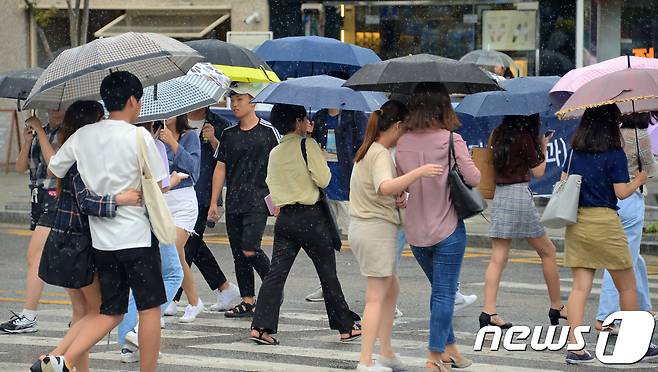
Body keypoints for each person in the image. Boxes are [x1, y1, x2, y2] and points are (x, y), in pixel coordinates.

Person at [42, 71, 168, 372]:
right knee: (149, 309)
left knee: (110, 310)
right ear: (132, 100)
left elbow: (56, 167)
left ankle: (63, 359)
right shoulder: (139, 136)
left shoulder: (83, 135)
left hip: (102, 242)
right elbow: (159, 185)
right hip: (137, 236)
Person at [29, 101, 143, 372]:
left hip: (63, 241)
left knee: (82, 314)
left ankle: (67, 366)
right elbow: (86, 202)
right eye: (100, 118)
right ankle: (52, 361)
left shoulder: (69, 151)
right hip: (79, 244)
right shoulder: (81, 159)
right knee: (100, 311)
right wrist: (121, 199)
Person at [248, 103, 362, 345]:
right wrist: (317, 155)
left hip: (285, 219)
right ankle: (345, 326)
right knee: (327, 273)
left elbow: (271, 182)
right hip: (311, 218)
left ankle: (261, 326)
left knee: (276, 275)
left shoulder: (275, 151)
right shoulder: (307, 145)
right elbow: (323, 179)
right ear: (299, 121)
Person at [350, 100, 442, 372]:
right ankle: (365, 362)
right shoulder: (378, 153)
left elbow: (380, 191)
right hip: (375, 230)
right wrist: (418, 173)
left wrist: (399, 197)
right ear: (399, 126)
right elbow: (385, 186)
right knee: (376, 297)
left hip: (368, 228)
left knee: (392, 288)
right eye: (407, 129)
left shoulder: (369, 149)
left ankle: (386, 351)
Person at [561, 104, 657, 364]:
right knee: (627, 285)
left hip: (577, 222)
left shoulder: (575, 152)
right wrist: (638, 180)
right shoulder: (614, 154)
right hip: (604, 221)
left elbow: (563, 182)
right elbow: (621, 192)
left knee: (580, 287)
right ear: (609, 124)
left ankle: (575, 348)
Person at [395, 84, 479, 372]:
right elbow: (475, 178)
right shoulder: (451, 139)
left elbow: (398, 187)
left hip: (416, 233)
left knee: (440, 292)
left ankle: (450, 350)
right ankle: (433, 357)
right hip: (447, 229)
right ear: (443, 107)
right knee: (444, 294)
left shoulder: (402, 141)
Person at [480, 115, 566, 329]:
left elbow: (492, 160)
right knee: (548, 251)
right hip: (519, 195)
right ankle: (557, 306)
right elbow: (539, 171)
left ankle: (488, 311)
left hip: (501, 196)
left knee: (498, 257)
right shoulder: (525, 136)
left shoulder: (498, 132)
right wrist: (543, 147)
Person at [117, 120, 184, 364]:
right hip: (151, 218)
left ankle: (128, 343)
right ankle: (136, 330)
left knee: (135, 284)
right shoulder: (151, 143)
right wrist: (173, 180)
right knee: (173, 275)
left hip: (125, 222)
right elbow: (159, 187)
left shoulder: (119, 143)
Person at [209, 82, 278, 318]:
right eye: (232, 99)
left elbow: (280, 166)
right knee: (238, 253)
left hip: (259, 200)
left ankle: (273, 289)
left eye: (240, 99)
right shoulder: (229, 134)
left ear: (253, 102)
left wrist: (280, 197)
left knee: (250, 248)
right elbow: (220, 168)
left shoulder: (269, 132)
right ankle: (247, 300)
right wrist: (213, 202)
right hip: (234, 201)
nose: (235, 103)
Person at [167, 106, 240, 316]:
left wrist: (214, 139)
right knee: (193, 245)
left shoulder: (218, 124)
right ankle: (224, 287)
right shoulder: (168, 126)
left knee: (184, 246)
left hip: (203, 193)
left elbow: (225, 160)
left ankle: (174, 296)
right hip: (174, 194)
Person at [1, 109, 63, 334]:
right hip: (38, 200)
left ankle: (28, 316)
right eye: (50, 106)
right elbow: (20, 167)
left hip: (56, 199)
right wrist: (28, 141)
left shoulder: (67, 133)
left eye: (57, 106)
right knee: (63, 258)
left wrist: (39, 131)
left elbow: (54, 164)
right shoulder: (41, 131)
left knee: (35, 257)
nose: (53, 110)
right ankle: (86, 311)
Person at [595, 112, 658, 332]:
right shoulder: (640, 136)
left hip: (609, 200)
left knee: (635, 258)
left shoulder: (612, 134)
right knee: (622, 262)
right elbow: (650, 170)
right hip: (630, 199)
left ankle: (643, 307)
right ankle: (606, 316)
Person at [306, 107, 366, 302]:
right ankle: (326, 286)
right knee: (324, 241)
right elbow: (312, 147)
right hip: (325, 185)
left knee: (362, 242)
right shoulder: (320, 117)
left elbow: (364, 146)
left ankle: (381, 290)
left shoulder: (354, 115)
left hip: (348, 185)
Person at [152, 114, 206, 323]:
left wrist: (173, 143)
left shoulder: (190, 136)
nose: (168, 116)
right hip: (162, 198)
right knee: (175, 257)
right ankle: (194, 301)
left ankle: (158, 309)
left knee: (172, 250)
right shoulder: (153, 137)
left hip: (183, 199)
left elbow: (193, 168)